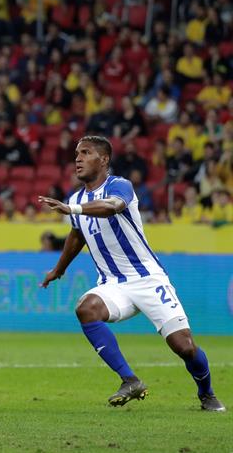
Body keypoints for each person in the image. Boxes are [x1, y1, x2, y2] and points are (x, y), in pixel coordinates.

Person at [38, 135, 225, 412]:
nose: (77, 158)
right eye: (77, 153)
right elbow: (77, 235)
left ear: (103, 160)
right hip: (112, 284)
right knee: (86, 308)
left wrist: (72, 209)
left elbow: (113, 207)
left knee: (184, 346)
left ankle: (207, 393)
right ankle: (130, 380)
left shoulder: (119, 186)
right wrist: (59, 269)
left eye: (86, 153)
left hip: (148, 279)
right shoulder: (77, 198)